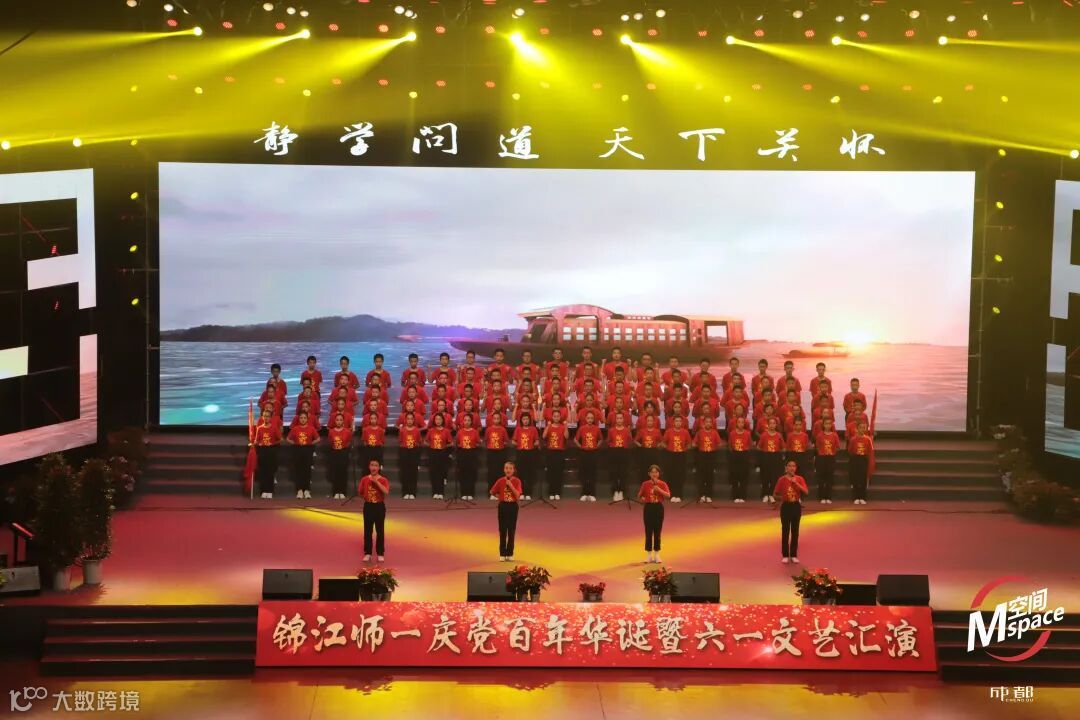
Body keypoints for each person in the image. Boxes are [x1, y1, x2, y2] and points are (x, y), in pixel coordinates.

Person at [774, 460, 809, 564]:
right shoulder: (781, 479)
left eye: (793, 466)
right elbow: (775, 494)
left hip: (796, 506)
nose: (792, 468)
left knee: (795, 531)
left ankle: (793, 555)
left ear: (796, 468)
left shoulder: (800, 479)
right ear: (786, 468)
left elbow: (806, 491)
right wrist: (783, 498)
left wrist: (796, 483)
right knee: (785, 531)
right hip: (786, 506)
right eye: (789, 466)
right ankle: (785, 555)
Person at [637, 464, 671, 564]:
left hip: (658, 508)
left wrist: (659, 490)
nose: (654, 474)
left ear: (659, 474)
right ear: (649, 474)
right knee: (648, 531)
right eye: (652, 472)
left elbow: (668, 495)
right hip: (648, 508)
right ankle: (649, 555)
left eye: (656, 472)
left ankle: (657, 554)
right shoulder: (645, 484)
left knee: (657, 531)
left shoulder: (662, 484)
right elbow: (639, 496)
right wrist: (642, 499)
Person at [490, 461, 523, 562]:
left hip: (513, 506)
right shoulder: (500, 481)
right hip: (503, 506)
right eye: (506, 468)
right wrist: (500, 497)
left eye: (510, 468)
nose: (508, 470)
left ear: (513, 470)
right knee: (502, 530)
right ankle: (502, 553)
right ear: (504, 470)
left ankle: (510, 553)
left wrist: (511, 485)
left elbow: (517, 495)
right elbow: (492, 491)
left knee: (511, 530)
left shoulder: (517, 481)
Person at [358, 459, 389, 562]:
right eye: (372, 465)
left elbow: (386, 491)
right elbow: (360, 492)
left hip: (379, 507)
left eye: (376, 465)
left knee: (380, 531)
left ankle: (380, 553)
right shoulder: (364, 479)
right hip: (368, 506)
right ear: (369, 467)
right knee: (367, 531)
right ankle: (368, 553)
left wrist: (376, 482)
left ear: (379, 468)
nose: (374, 467)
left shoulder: (383, 479)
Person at [285, 410, 319, 499]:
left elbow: (318, 438)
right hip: (298, 450)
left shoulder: (311, 428)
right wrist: (294, 443)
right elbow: (288, 439)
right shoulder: (295, 429)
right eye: (301, 418)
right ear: (298, 419)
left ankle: (307, 490)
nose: (303, 419)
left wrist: (311, 443)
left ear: (307, 419)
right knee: (298, 470)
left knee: (307, 470)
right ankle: (299, 490)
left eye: (304, 418)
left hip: (308, 450)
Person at [252, 407, 282, 499]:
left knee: (270, 471)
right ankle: (263, 490)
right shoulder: (260, 428)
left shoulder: (274, 428)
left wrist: (273, 443)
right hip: (262, 451)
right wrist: (254, 443)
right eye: (264, 416)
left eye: (268, 416)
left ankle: (270, 490)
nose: (266, 418)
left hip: (271, 451)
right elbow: (257, 440)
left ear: (271, 417)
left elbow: (280, 439)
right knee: (263, 471)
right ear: (262, 417)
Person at [574, 410, 603, 501]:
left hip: (593, 453)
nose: (590, 420)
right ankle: (584, 493)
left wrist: (596, 446)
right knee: (584, 473)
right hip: (584, 453)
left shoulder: (597, 428)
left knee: (592, 474)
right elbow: (575, 440)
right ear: (585, 419)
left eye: (591, 418)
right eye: (588, 418)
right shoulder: (582, 428)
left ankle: (592, 494)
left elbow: (601, 439)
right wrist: (581, 446)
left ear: (593, 419)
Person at [693, 414, 723, 503]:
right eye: (707, 422)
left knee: (710, 476)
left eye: (710, 422)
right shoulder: (700, 432)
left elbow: (719, 444)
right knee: (701, 476)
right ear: (703, 423)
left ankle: (709, 495)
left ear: (712, 424)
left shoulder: (714, 432)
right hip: (702, 455)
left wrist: (713, 445)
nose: (708, 423)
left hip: (711, 455)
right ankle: (702, 495)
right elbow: (694, 444)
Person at [606, 412, 634, 502]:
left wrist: (630, 432)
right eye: (617, 418)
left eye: (621, 418)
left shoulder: (626, 430)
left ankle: (621, 490)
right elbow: (608, 441)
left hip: (624, 452)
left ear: (623, 420)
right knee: (614, 472)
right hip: (614, 452)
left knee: (623, 472)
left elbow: (630, 441)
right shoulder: (611, 430)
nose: (619, 420)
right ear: (615, 420)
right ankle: (615, 491)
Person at [512, 412, 540, 500]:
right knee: (520, 473)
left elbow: (537, 441)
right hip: (520, 452)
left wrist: (535, 444)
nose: (525, 421)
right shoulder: (518, 429)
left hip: (530, 453)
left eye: (527, 419)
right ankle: (521, 492)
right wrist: (519, 444)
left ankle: (528, 492)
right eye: (524, 419)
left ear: (529, 420)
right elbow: (513, 441)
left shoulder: (533, 429)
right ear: (521, 420)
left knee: (529, 473)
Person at [756, 416, 785, 504]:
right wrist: (765, 452)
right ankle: (765, 494)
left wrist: (780, 454)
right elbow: (758, 447)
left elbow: (783, 447)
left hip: (775, 457)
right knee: (765, 476)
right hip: (766, 457)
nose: (772, 425)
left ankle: (772, 494)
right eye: (770, 423)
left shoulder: (779, 435)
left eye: (774, 423)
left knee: (774, 477)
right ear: (768, 425)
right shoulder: (764, 435)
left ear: (776, 425)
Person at [542, 408, 568, 500]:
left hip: (560, 452)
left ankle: (557, 492)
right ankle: (551, 492)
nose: (556, 418)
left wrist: (566, 426)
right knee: (551, 472)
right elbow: (544, 436)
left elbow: (566, 436)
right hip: (550, 452)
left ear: (560, 417)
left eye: (558, 416)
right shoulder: (549, 426)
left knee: (558, 472)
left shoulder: (562, 427)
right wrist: (548, 426)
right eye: (554, 416)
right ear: (552, 417)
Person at [425, 413, 453, 500]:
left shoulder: (446, 431)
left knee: (441, 473)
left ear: (442, 420)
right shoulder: (431, 431)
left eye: (439, 419)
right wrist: (431, 445)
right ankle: (435, 492)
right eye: (436, 419)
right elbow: (425, 441)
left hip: (442, 453)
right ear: (434, 421)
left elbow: (451, 443)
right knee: (434, 473)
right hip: (433, 453)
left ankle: (440, 492)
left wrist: (444, 446)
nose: (438, 421)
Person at [455, 412, 481, 500]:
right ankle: (463, 493)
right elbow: (457, 443)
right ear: (463, 421)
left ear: (471, 422)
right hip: (462, 454)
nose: (467, 422)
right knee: (463, 474)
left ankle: (470, 493)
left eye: (468, 420)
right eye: (465, 420)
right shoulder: (460, 432)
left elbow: (478, 443)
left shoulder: (475, 432)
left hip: (472, 454)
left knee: (471, 473)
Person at [326, 413, 352, 500]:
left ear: (343, 421)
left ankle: (343, 491)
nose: (339, 421)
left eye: (341, 420)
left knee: (343, 472)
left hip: (343, 453)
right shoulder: (331, 431)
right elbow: (330, 442)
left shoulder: (347, 431)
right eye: (337, 420)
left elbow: (349, 442)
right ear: (335, 421)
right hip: (335, 453)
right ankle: (336, 491)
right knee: (335, 472)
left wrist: (343, 448)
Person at [726, 415, 753, 502]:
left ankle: (742, 496)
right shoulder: (732, 433)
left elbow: (750, 445)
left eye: (742, 422)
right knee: (735, 476)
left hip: (744, 455)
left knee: (743, 476)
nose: (741, 424)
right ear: (736, 424)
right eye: (739, 422)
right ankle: (735, 496)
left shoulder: (747, 433)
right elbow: (730, 445)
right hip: (735, 455)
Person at [814, 417, 841, 504]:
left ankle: (828, 497)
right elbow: (817, 446)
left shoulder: (834, 435)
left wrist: (832, 452)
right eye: (826, 423)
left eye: (830, 424)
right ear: (823, 425)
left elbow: (838, 446)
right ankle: (821, 497)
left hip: (831, 458)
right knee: (821, 478)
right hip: (821, 458)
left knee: (829, 478)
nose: (828, 425)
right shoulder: (819, 435)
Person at [847, 420, 875, 504]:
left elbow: (870, 451)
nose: (862, 429)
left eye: (864, 428)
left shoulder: (868, 439)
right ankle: (856, 497)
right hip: (855, 459)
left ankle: (862, 497)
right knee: (855, 478)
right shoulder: (853, 439)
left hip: (864, 459)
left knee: (863, 479)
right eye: (860, 427)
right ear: (857, 428)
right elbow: (850, 450)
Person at [397, 413, 423, 500]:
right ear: (405, 420)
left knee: (413, 473)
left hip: (414, 452)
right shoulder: (402, 430)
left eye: (411, 419)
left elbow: (419, 442)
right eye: (408, 419)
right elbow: (400, 442)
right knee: (405, 473)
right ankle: (405, 492)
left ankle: (412, 492)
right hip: (404, 451)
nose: (409, 420)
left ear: (413, 420)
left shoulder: (417, 430)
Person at [484, 412, 511, 496]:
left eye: (497, 418)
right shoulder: (488, 429)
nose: (496, 420)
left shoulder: (503, 429)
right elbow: (486, 440)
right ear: (492, 419)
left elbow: (506, 441)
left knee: (500, 472)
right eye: (494, 418)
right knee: (491, 472)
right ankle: (491, 492)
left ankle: (499, 491)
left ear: (500, 420)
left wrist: (500, 444)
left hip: (500, 453)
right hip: (491, 452)